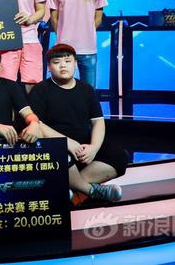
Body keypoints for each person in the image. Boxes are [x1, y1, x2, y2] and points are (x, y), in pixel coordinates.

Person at [28, 43, 127, 202]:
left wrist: (94, 148)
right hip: (57, 144)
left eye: (67, 61)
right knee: (60, 155)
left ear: (75, 63)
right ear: (49, 67)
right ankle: (91, 191)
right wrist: (67, 142)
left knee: (119, 156)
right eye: (56, 62)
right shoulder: (40, 90)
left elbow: (98, 122)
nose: (63, 66)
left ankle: (67, 188)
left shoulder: (86, 89)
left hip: (83, 145)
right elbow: (36, 124)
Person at [47, 0, 108, 88]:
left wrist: (88, 32)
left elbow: (98, 16)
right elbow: (54, 18)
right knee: (62, 89)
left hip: (88, 49)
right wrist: (62, 35)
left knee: (89, 90)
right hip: (64, 49)